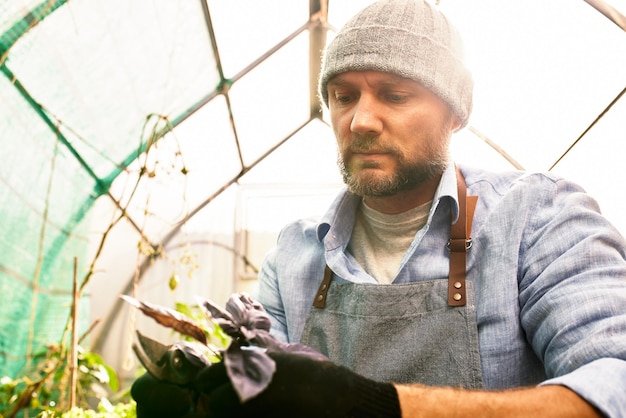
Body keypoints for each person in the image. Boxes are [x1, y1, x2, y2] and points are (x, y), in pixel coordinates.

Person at [131, 0, 626, 417]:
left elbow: (613, 385)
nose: (362, 120)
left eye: (395, 94)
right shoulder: (295, 257)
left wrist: (377, 405)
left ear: (456, 112)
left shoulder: (539, 218)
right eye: (343, 96)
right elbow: (270, 396)